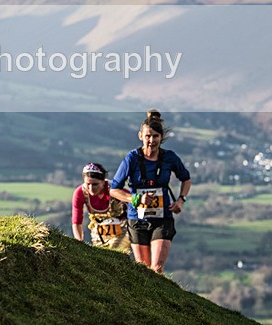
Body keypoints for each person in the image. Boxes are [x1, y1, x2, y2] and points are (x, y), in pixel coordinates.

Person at [110, 110, 192, 273]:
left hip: (162, 218)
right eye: (148, 136)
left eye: (155, 136)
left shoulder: (170, 157)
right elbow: (114, 190)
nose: (151, 140)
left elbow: (186, 179)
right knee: (144, 271)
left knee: (157, 268)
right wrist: (136, 199)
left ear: (161, 137)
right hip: (137, 218)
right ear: (140, 136)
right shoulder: (132, 158)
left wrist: (181, 199)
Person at [71, 162, 130, 252]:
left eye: (95, 184)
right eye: (88, 184)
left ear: (103, 181)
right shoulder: (80, 193)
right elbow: (77, 222)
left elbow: (131, 199)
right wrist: (80, 244)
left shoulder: (114, 189)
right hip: (99, 234)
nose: (91, 188)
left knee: (114, 255)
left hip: (121, 231)